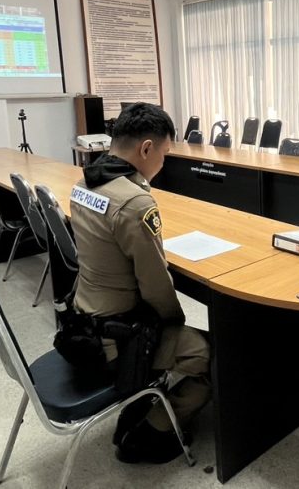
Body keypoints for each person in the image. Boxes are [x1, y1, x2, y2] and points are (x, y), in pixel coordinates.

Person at [69, 103, 210, 464]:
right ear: (146, 149)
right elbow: (155, 285)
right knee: (210, 354)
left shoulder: (83, 183)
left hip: (84, 322)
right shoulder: (133, 201)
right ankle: (153, 430)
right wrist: (175, 325)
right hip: (119, 338)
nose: (164, 162)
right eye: (165, 153)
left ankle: (144, 405)